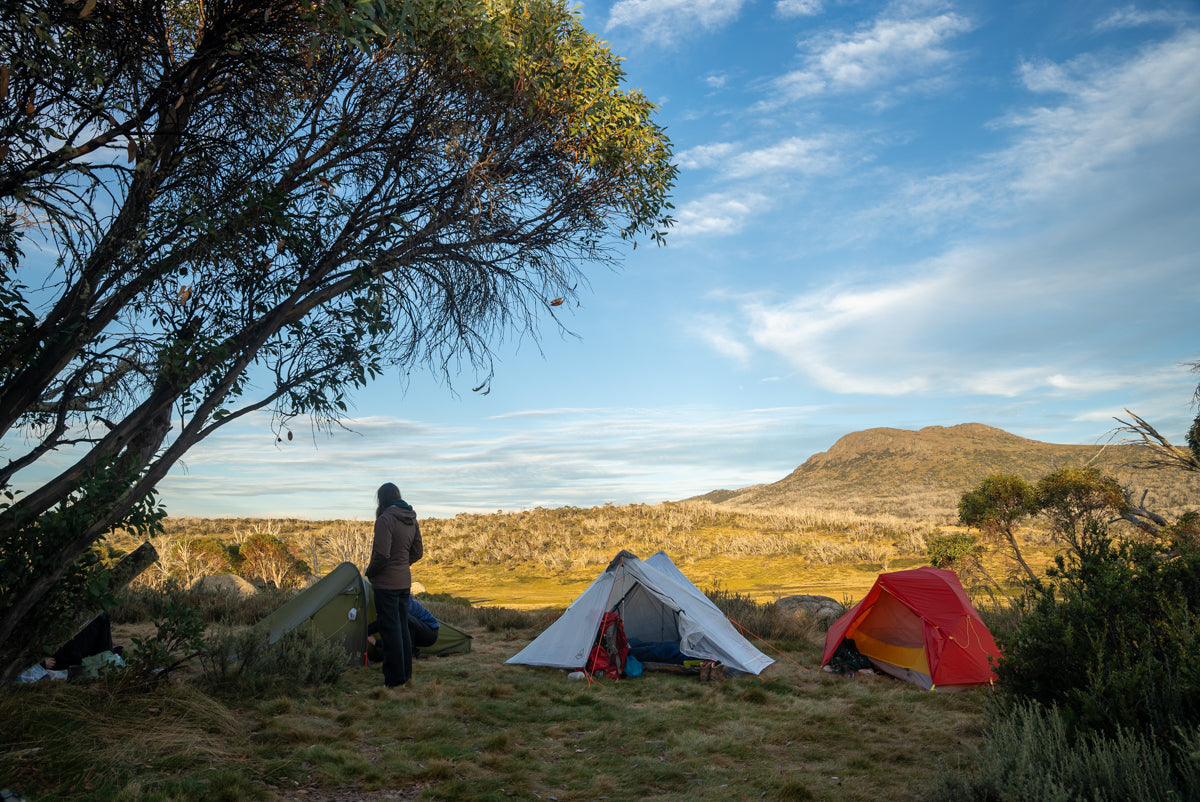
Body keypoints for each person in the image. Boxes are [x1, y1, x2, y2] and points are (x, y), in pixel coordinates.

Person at [364, 482, 423, 688]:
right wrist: (401, 566)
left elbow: (381, 554)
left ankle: (394, 680)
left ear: (382, 499)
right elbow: (418, 552)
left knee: (391, 631)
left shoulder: (385, 519)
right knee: (402, 629)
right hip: (403, 582)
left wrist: (369, 572)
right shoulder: (411, 518)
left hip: (385, 584)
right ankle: (405, 676)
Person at [367, 597, 441, 660]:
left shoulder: (405, 604)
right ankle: (412, 652)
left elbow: (396, 636)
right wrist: (365, 631)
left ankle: (409, 656)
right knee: (400, 620)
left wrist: (377, 642)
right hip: (418, 632)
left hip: (430, 634)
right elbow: (383, 621)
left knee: (405, 619)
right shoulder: (391, 604)